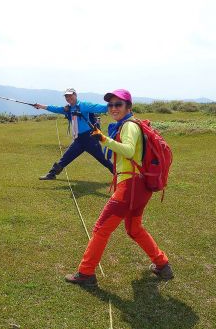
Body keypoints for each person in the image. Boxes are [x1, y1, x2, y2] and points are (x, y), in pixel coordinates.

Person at [64, 89, 174, 287]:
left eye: (118, 104)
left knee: (100, 229)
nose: (113, 108)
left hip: (130, 187)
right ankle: (163, 265)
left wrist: (104, 139)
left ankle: (86, 273)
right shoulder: (129, 124)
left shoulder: (129, 126)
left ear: (128, 107)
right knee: (134, 228)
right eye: (110, 105)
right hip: (139, 188)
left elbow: (129, 151)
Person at [34, 88, 113, 180]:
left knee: (103, 159)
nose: (68, 98)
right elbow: (55, 108)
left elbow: (101, 108)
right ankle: (52, 174)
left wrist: (114, 103)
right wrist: (40, 106)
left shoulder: (84, 105)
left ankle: (119, 174)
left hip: (90, 138)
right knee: (66, 157)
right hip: (78, 139)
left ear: (75, 95)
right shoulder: (67, 109)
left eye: (70, 95)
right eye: (66, 96)